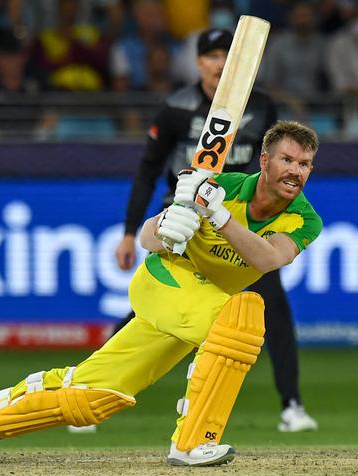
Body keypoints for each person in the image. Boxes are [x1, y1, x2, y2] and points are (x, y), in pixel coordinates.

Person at [0, 119, 322, 467]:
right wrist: (169, 222)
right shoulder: (221, 186)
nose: (295, 171)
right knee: (240, 319)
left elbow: (269, 258)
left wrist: (218, 216)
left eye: (304, 164)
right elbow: (148, 238)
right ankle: (192, 440)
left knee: (92, 397)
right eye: (287, 159)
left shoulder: (304, 219)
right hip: (166, 281)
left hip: (196, 307)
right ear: (264, 160)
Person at [114, 28, 319, 433]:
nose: (219, 62)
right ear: (198, 62)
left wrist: (230, 210)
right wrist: (128, 231)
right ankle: (97, 383)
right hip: (186, 215)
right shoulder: (176, 107)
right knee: (150, 307)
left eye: (227, 54)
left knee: (271, 307)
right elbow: (149, 169)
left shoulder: (261, 107)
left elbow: (278, 162)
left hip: (238, 216)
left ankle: (291, 405)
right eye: (210, 55)